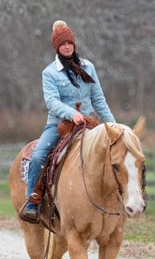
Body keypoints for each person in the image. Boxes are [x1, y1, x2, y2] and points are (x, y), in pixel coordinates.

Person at [19, 19, 116, 223]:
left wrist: (113, 126)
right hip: (58, 125)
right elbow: (52, 101)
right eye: (63, 44)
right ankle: (33, 201)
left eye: (69, 43)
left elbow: (98, 99)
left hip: (89, 124)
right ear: (57, 47)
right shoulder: (50, 73)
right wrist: (71, 113)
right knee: (38, 156)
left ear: (74, 44)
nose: (67, 46)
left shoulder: (88, 67)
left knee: (114, 154)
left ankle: (117, 197)